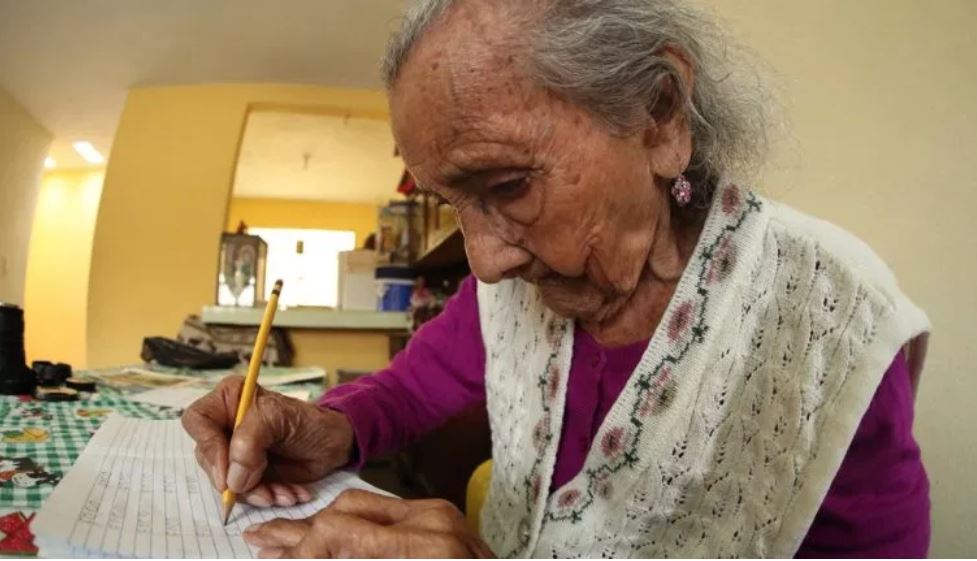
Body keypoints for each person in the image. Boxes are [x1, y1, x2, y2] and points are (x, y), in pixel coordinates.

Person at [183, 0, 931, 557]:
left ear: (658, 115)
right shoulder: (509, 286)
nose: (483, 261)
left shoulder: (830, 321)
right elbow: (409, 391)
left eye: (507, 186)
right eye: (452, 203)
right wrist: (327, 426)